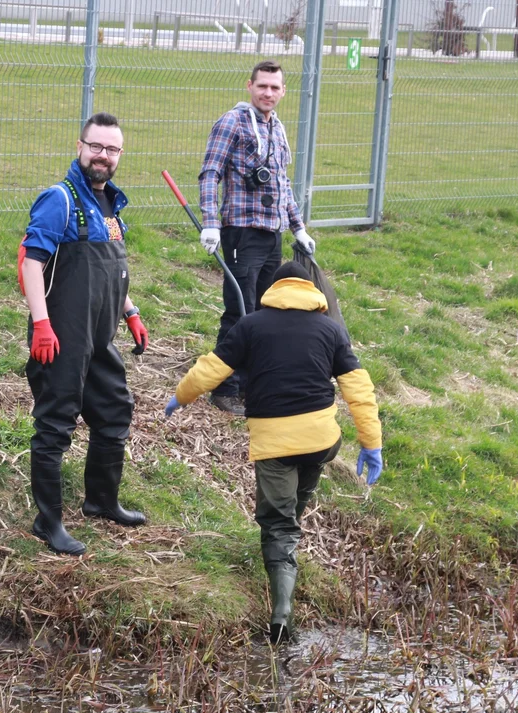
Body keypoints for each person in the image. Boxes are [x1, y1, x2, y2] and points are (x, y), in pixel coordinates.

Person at [164, 261, 383, 643]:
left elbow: (211, 369)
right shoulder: (332, 329)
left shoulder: (251, 325)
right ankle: (287, 542)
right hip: (321, 441)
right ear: (310, 291)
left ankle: (281, 612)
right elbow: (359, 392)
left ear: (274, 290)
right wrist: (371, 444)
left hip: (275, 441)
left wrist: (181, 396)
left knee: (278, 524)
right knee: (296, 497)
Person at [19, 112, 148, 556]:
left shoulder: (111, 203)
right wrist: (41, 323)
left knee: (114, 412)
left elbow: (113, 273)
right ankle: (48, 521)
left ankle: (101, 501)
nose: (103, 156)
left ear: (119, 155)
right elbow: (31, 263)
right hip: (60, 338)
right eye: (96, 146)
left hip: (100, 338)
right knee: (55, 424)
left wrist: (130, 311)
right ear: (80, 146)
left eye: (112, 149)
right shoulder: (61, 199)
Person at [198, 59, 316, 416]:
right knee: (241, 311)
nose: (268, 93)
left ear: (283, 91)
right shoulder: (232, 122)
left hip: (272, 236)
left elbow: (282, 184)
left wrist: (298, 227)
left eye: (275, 87)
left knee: (266, 312)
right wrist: (210, 221)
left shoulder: (277, 129)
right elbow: (210, 173)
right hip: (241, 233)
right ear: (249, 86)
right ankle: (224, 388)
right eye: (262, 85)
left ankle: (251, 385)